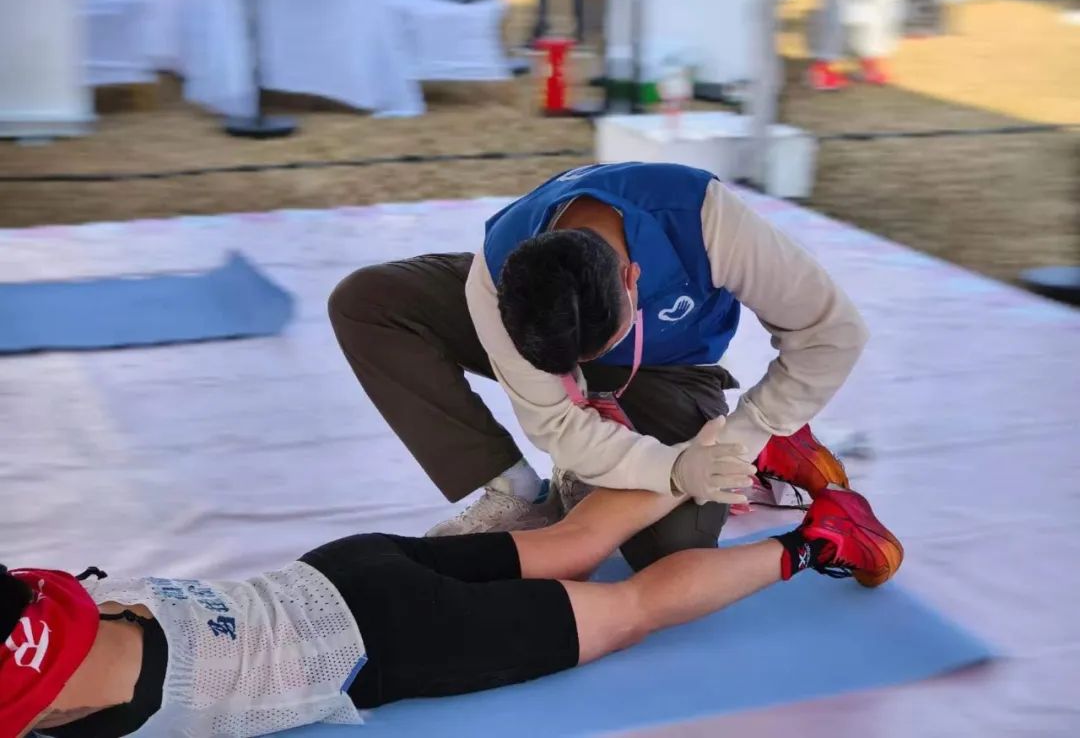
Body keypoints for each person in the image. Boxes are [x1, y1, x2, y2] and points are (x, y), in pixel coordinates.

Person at [4, 465, 903, 738]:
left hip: (395, 640)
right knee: (572, 544)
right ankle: (738, 449)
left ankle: (822, 541)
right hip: (339, 572)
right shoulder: (41, 600)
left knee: (629, 611)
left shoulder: (38, 700)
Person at [329, 162, 869, 569]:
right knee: (370, 300)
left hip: (667, 366)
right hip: (540, 320)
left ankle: (778, 441)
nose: (576, 379)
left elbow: (831, 329)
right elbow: (556, 421)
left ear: (634, 279)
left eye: (592, 351)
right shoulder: (495, 278)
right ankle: (518, 492)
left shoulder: (704, 219)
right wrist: (670, 468)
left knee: (672, 550)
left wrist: (748, 432)